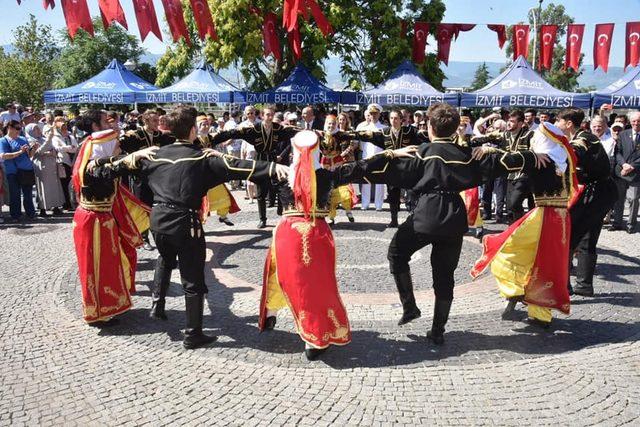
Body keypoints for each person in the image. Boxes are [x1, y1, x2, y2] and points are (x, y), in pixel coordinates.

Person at [98, 106, 289, 349]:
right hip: (185, 223)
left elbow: (113, 167)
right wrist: (274, 168)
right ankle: (193, 333)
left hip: (158, 222)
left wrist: (98, 163)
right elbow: (241, 166)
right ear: (191, 131)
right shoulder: (202, 158)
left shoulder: (153, 155)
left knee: (165, 259)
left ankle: (158, 304)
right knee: (193, 281)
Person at [358, 104, 550, 342]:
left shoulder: (421, 152)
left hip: (426, 215)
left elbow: (374, 169)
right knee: (444, 276)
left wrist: (390, 154)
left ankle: (409, 306)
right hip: (454, 219)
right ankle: (438, 331)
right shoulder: (468, 154)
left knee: (396, 253)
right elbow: (508, 162)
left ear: (430, 127)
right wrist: (531, 156)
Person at [258, 130, 415, 360]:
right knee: (318, 286)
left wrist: (212, 155)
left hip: (287, 233)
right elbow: (363, 166)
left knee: (279, 273)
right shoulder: (327, 175)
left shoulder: (280, 173)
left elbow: (245, 167)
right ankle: (314, 338)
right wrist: (392, 153)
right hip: (317, 234)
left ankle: (272, 312)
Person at [472, 121, 581, 329]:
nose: (533, 140)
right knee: (545, 264)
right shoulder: (563, 156)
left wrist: (487, 149)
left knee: (504, 251)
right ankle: (540, 314)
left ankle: (516, 290)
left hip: (544, 218)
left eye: (536, 137)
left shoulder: (538, 158)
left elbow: (508, 161)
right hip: (560, 218)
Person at [71, 110, 151, 326]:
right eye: (107, 122)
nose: (118, 145)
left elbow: (112, 162)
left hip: (100, 220)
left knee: (110, 265)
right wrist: (132, 158)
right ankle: (98, 313)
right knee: (96, 268)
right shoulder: (94, 166)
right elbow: (111, 167)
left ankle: (109, 306)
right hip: (93, 222)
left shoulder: (93, 155)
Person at [554, 108, 617, 298]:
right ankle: (584, 285)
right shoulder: (585, 137)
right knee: (587, 238)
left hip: (597, 193)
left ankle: (563, 286)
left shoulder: (583, 139)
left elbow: (574, 153)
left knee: (569, 238)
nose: (556, 124)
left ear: (568, 124)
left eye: (558, 121)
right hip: (601, 192)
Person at [210, 106, 299, 228]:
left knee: (280, 187)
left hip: (273, 159)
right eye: (267, 114)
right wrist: (213, 139)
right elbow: (234, 133)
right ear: (262, 116)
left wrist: (313, 132)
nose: (270, 117)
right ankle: (262, 219)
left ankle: (281, 213)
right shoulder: (254, 129)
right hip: (260, 161)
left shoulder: (278, 128)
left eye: (271, 115)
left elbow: (293, 132)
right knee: (261, 192)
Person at [119, 109, 174, 249]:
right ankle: (143, 237)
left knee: (159, 205)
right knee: (142, 205)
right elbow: (121, 146)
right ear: (145, 121)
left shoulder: (161, 135)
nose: (158, 123)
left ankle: (161, 234)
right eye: (155, 120)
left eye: (159, 120)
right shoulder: (135, 135)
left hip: (157, 177)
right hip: (140, 178)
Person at [365, 109, 429, 227]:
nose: (393, 121)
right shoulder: (384, 132)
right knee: (392, 195)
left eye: (396, 118)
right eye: (391, 118)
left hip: (408, 169)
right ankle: (394, 220)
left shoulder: (410, 131)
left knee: (411, 194)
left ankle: (413, 219)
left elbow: (426, 139)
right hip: (392, 170)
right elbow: (367, 136)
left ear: (401, 120)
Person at [472, 110, 534, 222]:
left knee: (515, 203)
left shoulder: (530, 135)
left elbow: (530, 155)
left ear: (520, 124)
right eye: (508, 121)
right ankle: (514, 230)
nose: (509, 124)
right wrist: (472, 141)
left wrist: (493, 149)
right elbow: (484, 138)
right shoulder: (505, 135)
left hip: (525, 175)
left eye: (512, 121)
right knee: (510, 207)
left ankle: (522, 226)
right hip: (510, 176)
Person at [195, 115, 239, 227]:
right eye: (202, 125)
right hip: (199, 174)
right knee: (201, 201)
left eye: (207, 124)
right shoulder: (194, 140)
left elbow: (223, 137)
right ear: (197, 126)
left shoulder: (210, 137)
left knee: (223, 195)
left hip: (212, 171)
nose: (205, 127)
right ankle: (198, 223)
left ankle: (223, 216)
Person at [0, 120, 37, 222]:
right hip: (12, 171)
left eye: (20, 128)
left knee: (28, 194)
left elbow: (29, 155)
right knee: (15, 195)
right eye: (17, 128)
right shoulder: (3, 140)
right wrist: (19, 152)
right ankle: (16, 215)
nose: (19, 130)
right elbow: (3, 156)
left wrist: (33, 149)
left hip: (26, 170)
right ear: (9, 128)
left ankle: (31, 213)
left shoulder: (22, 139)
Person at [26, 124, 65, 217]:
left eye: (38, 128)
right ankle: (43, 208)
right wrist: (48, 140)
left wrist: (52, 152)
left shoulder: (43, 139)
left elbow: (54, 149)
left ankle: (55, 207)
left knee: (54, 186)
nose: (38, 130)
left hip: (51, 165)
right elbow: (38, 152)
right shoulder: (30, 141)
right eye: (35, 129)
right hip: (41, 167)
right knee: (42, 188)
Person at [612, 111, 640, 233]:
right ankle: (617, 223)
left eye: (639, 121)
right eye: (634, 121)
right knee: (619, 199)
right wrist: (623, 164)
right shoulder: (623, 134)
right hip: (621, 172)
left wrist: (631, 166)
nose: (636, 123)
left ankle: (630, 224)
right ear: (630, 121)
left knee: (633, 199)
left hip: (636, 174)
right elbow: (617, 152)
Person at [357, 104, 387, 211]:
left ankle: (379, 204)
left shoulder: (384, 129)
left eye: (375, 113)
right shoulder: (364, 128)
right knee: (366, 181)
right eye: (371, 114)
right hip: (367, 157)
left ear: (379, 114)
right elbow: (361, 145)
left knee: (380, 182)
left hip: (380, 158)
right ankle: (365, 203)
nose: (373, 116)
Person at [51, 117, 78, 211]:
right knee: (65, 184)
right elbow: (57, 148)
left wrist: (67, 148)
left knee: (72, 183)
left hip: (73, 161)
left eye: (65, 127)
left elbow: (76, 147)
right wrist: (69, 147)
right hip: (63, 162)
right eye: (62, 128)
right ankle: (67, 204)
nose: (64, 129)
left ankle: (73, 202)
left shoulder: (70, 136)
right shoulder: (55, 137)